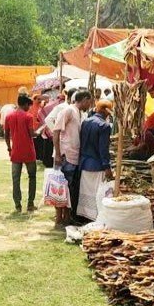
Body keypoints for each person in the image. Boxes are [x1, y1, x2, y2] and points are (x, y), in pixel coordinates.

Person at [53, 90, 93, 224]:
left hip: (74, 156)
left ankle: (67, 217)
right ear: (85, 99)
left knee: (70, 188)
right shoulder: (68, 110)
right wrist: (58, 154)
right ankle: (60, 217)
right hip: (65, 155)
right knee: (62, 188)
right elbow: (56, 131)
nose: (90, 104)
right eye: (90, 101)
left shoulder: (78, 113)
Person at [77, 100, 114, 222]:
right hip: (97, 165)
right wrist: (107, 167)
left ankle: (85, 217)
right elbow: (103, 149)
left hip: (84, 163)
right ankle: (95, 219)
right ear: (106, 110)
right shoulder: (104, 125)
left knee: (86, 193)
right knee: (96, 194)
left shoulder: (86, 122)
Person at [4, 95, 37, 213]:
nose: (29, 107)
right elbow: (32, 134)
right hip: (29, 151)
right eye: (29, 105)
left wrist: (9, 148)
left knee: (15, 179)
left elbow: (6, 134)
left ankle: (18, 205)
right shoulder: (29, 116)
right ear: (25, 104)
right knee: (32, 177)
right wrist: (39, 132)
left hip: (15, 151)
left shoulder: (9, 116)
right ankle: (30, 204)